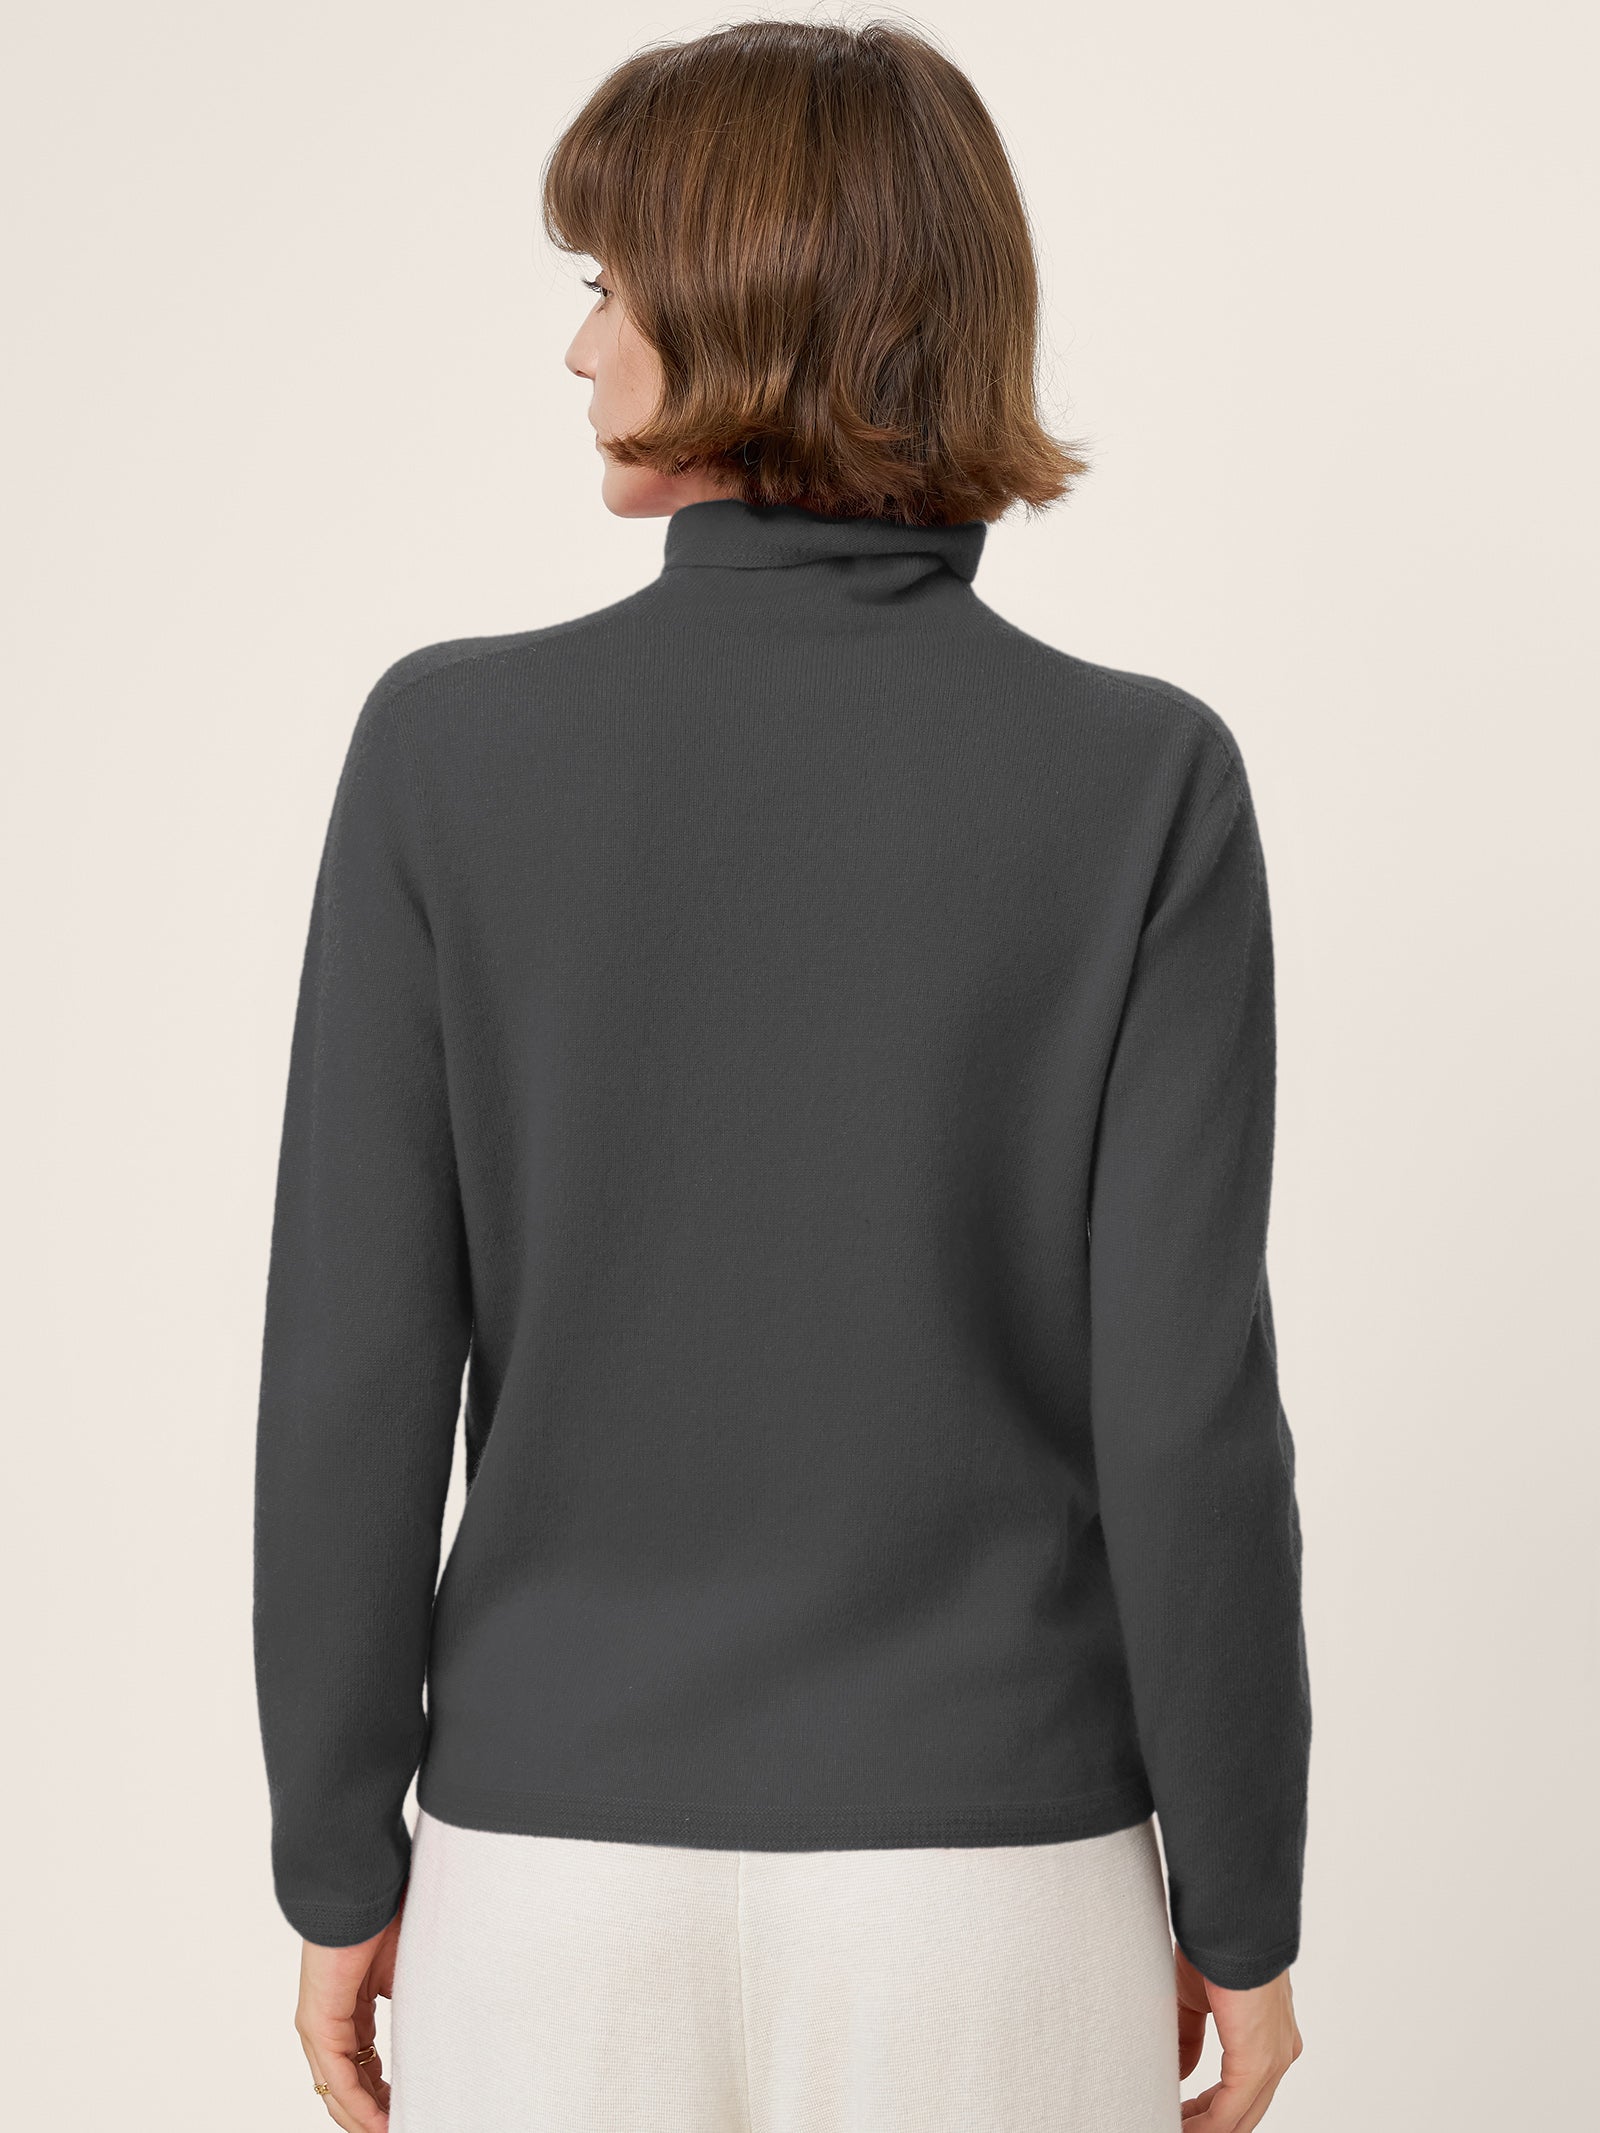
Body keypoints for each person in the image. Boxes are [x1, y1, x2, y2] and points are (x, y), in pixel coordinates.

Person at [252, 18, 1311, 2133]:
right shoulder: (1140, 780)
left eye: (608, 285)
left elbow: (354, 1364)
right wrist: (1243, 1898)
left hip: (545, 1882)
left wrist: (337, 1862)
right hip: (996, 1889)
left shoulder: (445, 753)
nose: (578, 351)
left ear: (746, 300)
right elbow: (1187, 1402)